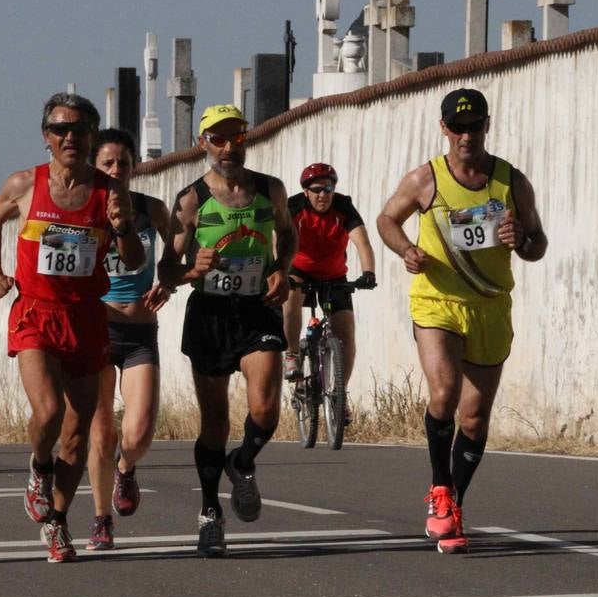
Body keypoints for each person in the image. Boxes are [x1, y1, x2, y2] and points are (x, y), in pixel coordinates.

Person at [375, 88, 546, 554]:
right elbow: (386, 219)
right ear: (444, 128)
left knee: (474, 417)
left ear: (486, 126)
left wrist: (520, 240)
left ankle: (452, 504)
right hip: (437, 301)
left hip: (490, 304)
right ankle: (438, 489)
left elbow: (537, 243)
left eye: (473, 126)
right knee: (445, 393)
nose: (465, 135)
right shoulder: (425, 179)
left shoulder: (511, 181)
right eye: (457, 126)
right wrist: (407, 249)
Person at [0, 92, 144, 563]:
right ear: (46, 136)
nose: (69, 137)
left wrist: (126, 229)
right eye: (60, 129)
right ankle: (37, 468)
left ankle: (56, 522)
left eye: (79, 130)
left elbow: (132, 262)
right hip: (36, 311)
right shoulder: (23, 184)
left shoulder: (109, 192)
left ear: (92, 136)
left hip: (86, 317)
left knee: (77, 432)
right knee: (48, 411)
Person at [157, 104, 296, 557]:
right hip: (211, 316)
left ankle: (244, 461)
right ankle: (209, 513)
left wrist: (283, 269)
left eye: (235, 136)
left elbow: (287, 233)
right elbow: (168, 268)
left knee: (267, 410)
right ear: (204, 145)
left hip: (258, 309)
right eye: (218, 138)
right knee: (214, 421)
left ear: (246, 138)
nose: (228, 146)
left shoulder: (270, 188)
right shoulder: (192, 199)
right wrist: (190, 267)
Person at [83, 128, 171, 551]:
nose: (116, 170)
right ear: (94, 167)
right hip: (97, 331)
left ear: (135, 166)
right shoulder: (83, 212)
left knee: (137, 434)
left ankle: (126, 467)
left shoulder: (153, 210)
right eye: (107, 163)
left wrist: (168, 284)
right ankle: (101, 519)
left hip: (140, 332)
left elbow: (177, 255)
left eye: (123, 162)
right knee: (100, 433)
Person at [283, 163, 378, 420]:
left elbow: (362, 241)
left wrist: (368, 272)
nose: (323, 195)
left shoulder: (343, 206)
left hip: (335, 274)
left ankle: (339, 393)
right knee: (290, 295)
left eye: (328, 189)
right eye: (316, 190)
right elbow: (277, 238)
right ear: (306, 192)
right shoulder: (294, 206)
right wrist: (277, 271)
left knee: (346, 334)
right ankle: (292, 354)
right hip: (299, 270)